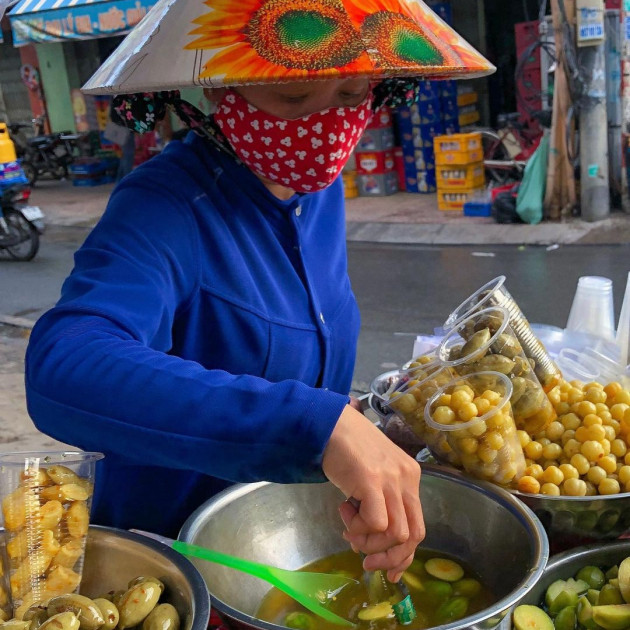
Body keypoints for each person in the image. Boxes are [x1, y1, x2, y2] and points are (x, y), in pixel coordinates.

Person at [25, 0, 493, 583]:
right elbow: (65, 364)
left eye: (350, 95)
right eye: (293, 97)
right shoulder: (165, 206)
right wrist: (311, 426)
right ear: (224, 90)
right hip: (176, 562)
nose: (326, 122)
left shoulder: (319, 191)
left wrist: (360, 420)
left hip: (290, 539)